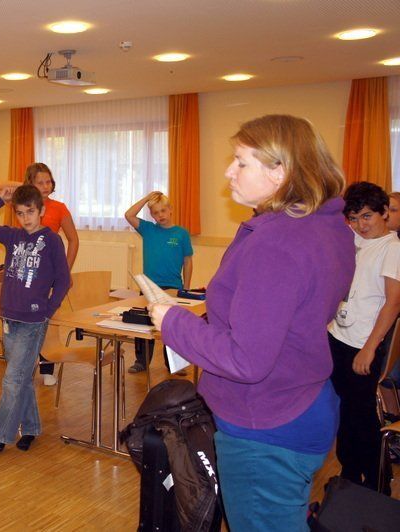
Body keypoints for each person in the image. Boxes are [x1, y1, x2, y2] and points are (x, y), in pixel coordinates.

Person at [149, 114, 355, 531]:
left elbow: (246, 360)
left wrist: (173, 322)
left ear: (280, 171)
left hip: (267, 421)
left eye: (241, 162)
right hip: (302, 398)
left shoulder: (277, 242)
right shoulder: (326, 226)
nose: (229, 171)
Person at [0, 184, 70, 457]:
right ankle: (32, 428)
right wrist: (0, 200)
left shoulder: (52, 241)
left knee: (12, 380)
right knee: (21, 377)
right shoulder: (13, 236)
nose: (26, 218)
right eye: (21, 213)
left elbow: (64, 280)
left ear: (42, 211)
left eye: (31, 212)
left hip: (34, 321)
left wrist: (48, 310)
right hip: (9, 318)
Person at [328, 182, 400, 492]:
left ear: (385, 212)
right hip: (338, 338)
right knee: (345, 412)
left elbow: (393, 303)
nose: (361, 225)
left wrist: (370, 348)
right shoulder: (355, 239)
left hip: (362, 345)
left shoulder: (392, 248)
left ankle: (374, 486)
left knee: (362, 418)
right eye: (355, 218)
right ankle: (348, 476)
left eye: (367, 216)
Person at [0, 162, 79, 386]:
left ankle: (47, 366)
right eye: (40, 182)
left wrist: (64, 270)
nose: (45, 185)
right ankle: (26, 370)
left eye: (48, 181)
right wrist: (25, 188)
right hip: (26, 269)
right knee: (28, 327)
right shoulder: (24, 202)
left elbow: (73, 240)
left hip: (46, 273)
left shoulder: (59, 208)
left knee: (43, 323)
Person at [124, 191, 193, 374]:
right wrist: (147, 198)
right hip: (148, 286)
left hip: (173, 287)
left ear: (170, 210)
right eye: (155, 212)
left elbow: (188, 261)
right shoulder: (148, 229)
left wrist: (186, 287)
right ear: (152, 215)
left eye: (163, 210)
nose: (160, 215)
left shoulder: (181, 234)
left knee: (171, 326)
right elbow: (129, 215)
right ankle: (141, 361)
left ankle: (174, 364)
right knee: (145, 323)